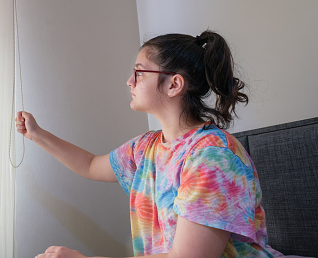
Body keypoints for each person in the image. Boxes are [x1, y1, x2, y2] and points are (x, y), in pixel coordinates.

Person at [16, 31, 273, 258]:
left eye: (139, 72)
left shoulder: (212, 157)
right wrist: (37, 134)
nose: (130, 81)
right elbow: (91, 164)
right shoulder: (145, 147)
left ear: (174, 84)